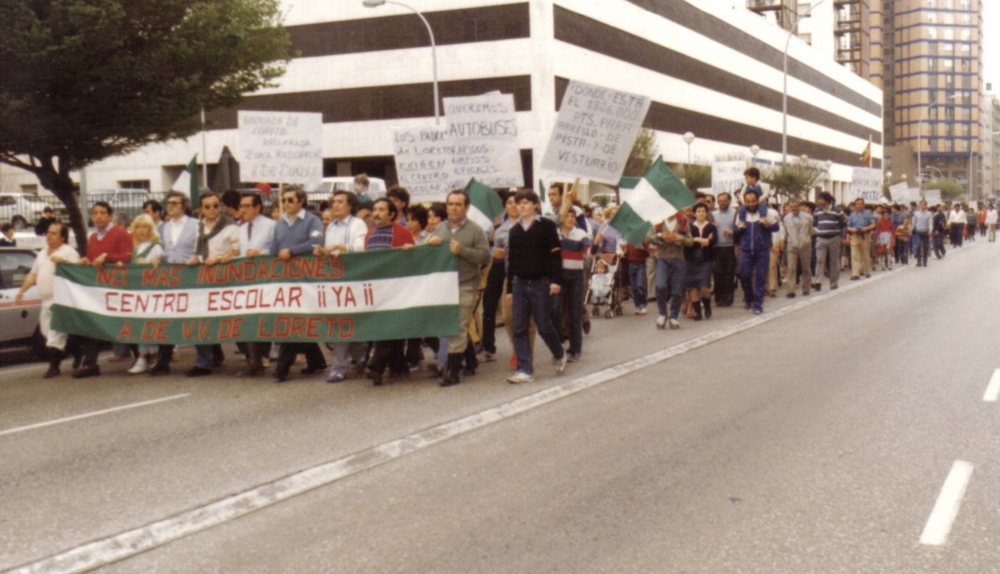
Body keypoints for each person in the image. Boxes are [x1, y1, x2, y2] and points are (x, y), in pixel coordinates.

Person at [426, 189, 490, 386]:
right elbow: (429, 254)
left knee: (459, 325)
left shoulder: (476, 230)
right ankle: (470, 359)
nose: (453, 208)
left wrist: (462, 251)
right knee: (455, 324)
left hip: (466, 283)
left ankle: (452, 371)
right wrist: (429, 244)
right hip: (445, 286)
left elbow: (484, 257)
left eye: (458, 204)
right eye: (450, 204)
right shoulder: (439, 229)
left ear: (466, 207)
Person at [505, 189, 567, 384]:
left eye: (525, 202)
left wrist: (556, 281)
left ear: (535, 205)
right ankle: (524, 370)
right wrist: (509, 289)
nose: (520, 206)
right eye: (518, 203)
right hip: (520, 284)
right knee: (519, 327)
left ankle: (559, 352)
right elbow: (511, 262)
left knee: (543, 326)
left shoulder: (546, 226)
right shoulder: (514, 231)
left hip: (541, 283)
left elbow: (556, 255)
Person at [272, 185, 327, 383]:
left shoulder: (312, 221)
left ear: (300, 202)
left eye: (290, 200)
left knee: (293, 322)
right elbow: (273, 250)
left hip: (306, 279)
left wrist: (292, 251)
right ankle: (317, 361)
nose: (286, 203)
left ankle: (282, 368)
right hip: (286, 282)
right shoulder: (279, 224)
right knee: (296, 319)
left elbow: (317, 242)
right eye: (283, 200)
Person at [73, 202, 133, 378]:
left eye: (102, 213)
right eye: (95, 213)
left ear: (109, 216)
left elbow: (128, 257)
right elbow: (93, 260)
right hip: (99, 289)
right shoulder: (92, 237)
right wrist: (85, 261)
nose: (98, 216)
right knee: (94, 323)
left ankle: (140, 355)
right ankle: (90, 364)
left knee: (121, 323)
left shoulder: (120, 233)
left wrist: (107, 257)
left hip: (118, 288)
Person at [314, 190, 368, 383]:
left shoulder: (357, 224)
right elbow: (330, 250)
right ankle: (358, 358)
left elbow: (362, 248)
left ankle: (341, 366)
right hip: (335, 281)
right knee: (341, 324)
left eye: (340, 202)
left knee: (346, 323)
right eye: (333, 202)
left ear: (350, 206)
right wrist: (323, 252)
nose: (335, 205)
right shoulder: (330, 228)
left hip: (353, 279)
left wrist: (342, 248)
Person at [15, 222, 81, 377]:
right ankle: (75, 348)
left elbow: (78, 270)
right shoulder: (42, 253)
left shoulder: (68, 252)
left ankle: (54, 367)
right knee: (46, 332)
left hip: (61, 298)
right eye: (48, 233)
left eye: (54, 233)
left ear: (63, 237)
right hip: (46, 299)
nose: (49, 236)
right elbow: (33, 274)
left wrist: (63, 262)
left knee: (55, 334)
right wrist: (22, 291)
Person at [144, 192, 199, 376]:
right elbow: (170, 251)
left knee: (195, 317)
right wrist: (160, 256)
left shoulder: (195, 224)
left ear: (184, 206)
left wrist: (197, 258)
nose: (171, 205)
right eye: (168, 203)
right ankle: (163, 360)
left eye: (175, 203)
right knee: (166, 317)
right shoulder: (166, 227)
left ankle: (207, 357)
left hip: (191, 274)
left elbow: (201, 247)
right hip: (172, 277)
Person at [186, 192, 239, 377]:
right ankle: (203, 362)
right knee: (201, 317)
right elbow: (198, 250)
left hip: (225, 279)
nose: (212, 209)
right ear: (201, 209)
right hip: (204, 278)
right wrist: (197, 259)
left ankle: (252, 357)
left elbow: (237, 251)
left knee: (230, 320)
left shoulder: (230, 226)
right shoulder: (199, 227)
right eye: (207, 206)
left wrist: (221, 258)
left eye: (215, 205)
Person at [364, 198, 416, 385]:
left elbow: (412, 260)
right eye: (374, 209)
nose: (376, 213)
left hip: (397, 289)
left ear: (392, 214)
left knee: (387, 327)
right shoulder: (369, 234)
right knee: (389, 327)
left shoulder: (402, 232)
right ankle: (399, 365)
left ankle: (376, 366)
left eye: (381, 210)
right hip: (378, 290)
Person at [228, 192, 277, 376]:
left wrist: (261, 253)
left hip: (265, 279)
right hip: (246, 280)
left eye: (246, 206)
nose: (242, 210)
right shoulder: (240, 228)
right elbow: (240, 252)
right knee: (246, 319)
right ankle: (253, 359)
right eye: (241, 206)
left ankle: (260, 358)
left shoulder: (271, 225)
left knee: (261, 320)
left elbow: (276, 250)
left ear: (257, 207)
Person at [480, 190, 517, 362]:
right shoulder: (492, 222)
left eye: (517, 202)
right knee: (489, 305)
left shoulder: (527, 223)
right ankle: (488, 346)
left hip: (518, 267)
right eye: (509, 203)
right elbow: (483, 246)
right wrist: (493, 251)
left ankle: (521, 348)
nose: (514, 206)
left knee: (518, 310)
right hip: (497, 265)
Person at [126, 215, 165, 374]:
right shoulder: (136, 247)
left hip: (152, 290)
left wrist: (150, 263)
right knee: (140, 323)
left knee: (152, 323)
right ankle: (142, 356)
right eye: (138, 227)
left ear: (150, 229)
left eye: (145, 227)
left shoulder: (156, 246)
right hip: (138, 290)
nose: (141, 230)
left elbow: (161, 264)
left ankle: (155, 354)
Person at [552, 207, 592, 362]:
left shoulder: (580, 234)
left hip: (576, 277)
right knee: (555, 311)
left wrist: (594, 246)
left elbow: (589, 250)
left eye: (572, 216)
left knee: (574, 314)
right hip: (558, 277)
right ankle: (558, 346)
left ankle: (575, 349)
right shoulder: (554, 234)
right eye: (566, 215)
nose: (570, 218)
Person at [647, 209, 692, 329]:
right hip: (663, 257)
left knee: (677, 289)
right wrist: (661, 235)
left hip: (678, 257)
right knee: (660, 285)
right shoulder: (658, 222)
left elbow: (690, 241)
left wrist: (680, 238)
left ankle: (674, 316)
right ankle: (662, 314)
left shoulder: (682, 221)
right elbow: (647, 238)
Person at [734, 189, 777, 314]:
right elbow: (736, 231)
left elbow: (776, 227)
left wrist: (766, 225)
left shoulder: (766, 213)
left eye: (753, 201)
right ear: (745, 202)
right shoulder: (741, 214)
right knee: (744, 276)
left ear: (758, 201)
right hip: (746, 250)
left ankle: (758, 304)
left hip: (762, 250)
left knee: (760, 277)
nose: (751, 204)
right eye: (748, 202)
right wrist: (739, 228)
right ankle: (749, 298)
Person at [684, 203, 716, 319]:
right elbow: (688, 242)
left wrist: (696, 240)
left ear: (706, 213)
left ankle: (707, 305)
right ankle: (697, 311)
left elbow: (712, 242)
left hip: (706, 259)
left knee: (704, 285)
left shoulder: (711, 227)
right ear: (694, 214)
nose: (701, 213)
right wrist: (702, 240)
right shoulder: (690, 227)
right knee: (692, 285)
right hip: (691, 259)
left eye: (703, 211)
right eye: (698, 211)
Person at [782, 199, 813, 298]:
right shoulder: (786, 219)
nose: (794, 209)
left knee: (806, 267)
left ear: (799, 206)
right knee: (791, 268)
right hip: (792, 245)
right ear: (789, 208)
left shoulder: (808, 217)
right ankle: (790, 290)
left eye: (795, 206)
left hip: (805, 245)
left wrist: (806, 239)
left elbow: (811, 231)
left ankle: (806, 288)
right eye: (791, 207)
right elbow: (785, 233)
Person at [711, 191, 737, 307]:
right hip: (717, 248)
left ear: (729, 201)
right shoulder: (713, 214)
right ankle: (718, 297)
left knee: (729, 274)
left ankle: (728, 298)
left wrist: (731, 233)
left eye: (724, 201)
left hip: (730, 247)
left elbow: (739, 229)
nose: (722, 203)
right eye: (720, 201)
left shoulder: (735, 213)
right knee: (717, 273)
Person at [846, 199, 876, 280]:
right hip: (855, 235)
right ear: (855, 205)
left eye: (861, 204)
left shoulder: (868, 214)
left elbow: (873, 224)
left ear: (863, 205)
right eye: (857, 204)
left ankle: (867, 272)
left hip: (865, 235)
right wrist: (852, 230)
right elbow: (848, 226)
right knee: (854, 255)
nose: (859, 205)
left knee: (865, 254)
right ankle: (855, 273)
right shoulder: (852, 215)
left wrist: (866, 228)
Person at [625, 240, 649, 315]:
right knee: (634, 288)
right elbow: (627, 253)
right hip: (631, 265)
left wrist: (642, 248)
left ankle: (643, 304)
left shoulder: (643, 242)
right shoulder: (629, 242)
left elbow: (647, 253)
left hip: (640, 265)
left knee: (640, 285)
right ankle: (637, 305)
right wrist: (623, 253)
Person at [911, 200, 933, 267]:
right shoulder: (916, 213)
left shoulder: (929, 214)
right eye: (921, 204)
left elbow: (930, 223)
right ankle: (919, 261)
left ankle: (925, 262)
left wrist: (930, 230)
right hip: (918, 231)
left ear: (926, 205)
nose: (923, 206)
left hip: (925, 231)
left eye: (924, 204)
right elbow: (914, 223)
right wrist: (910, 230)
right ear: (919, 205)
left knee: (925, 247)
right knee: (918, 245)